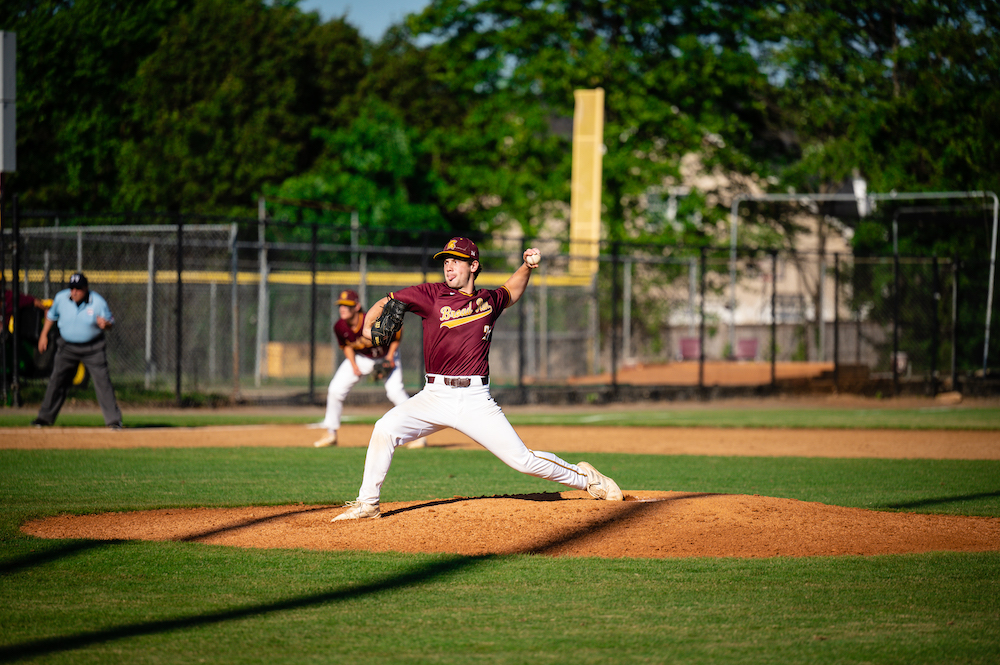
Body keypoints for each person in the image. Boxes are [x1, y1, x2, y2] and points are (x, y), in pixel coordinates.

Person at [331, 237, 623, 521]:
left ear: (473, 265)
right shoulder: (431, 294)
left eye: (456, 261)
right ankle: (368, 504)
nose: (448, 267)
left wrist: (527, 267)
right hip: (433, 395)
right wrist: (368, 329)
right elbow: (388, 300)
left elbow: (511, 290)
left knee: (522, 460)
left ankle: (587, 478)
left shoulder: (488, 300)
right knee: (384, 428)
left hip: (474, 400)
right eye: (446, 261)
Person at [313, 289, 427, 449]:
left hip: (387, 356)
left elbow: (397, 333)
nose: (343, 309)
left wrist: (390, 358)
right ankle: (331, 433)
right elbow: (346, 346)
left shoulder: (370, 319)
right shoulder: (340, 326)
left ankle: (419, 436)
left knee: (395, 392)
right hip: (362, 358)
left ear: (357, 306)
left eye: (347, 305)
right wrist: (353, 365)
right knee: (335, 389)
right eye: (341, 305)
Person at [31, 272, 123, 429]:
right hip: (67, 347)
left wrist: (105, 325)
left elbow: (110, 323)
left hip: (93, 348)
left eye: (78, 288)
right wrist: (43, 335)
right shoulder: (61, 298)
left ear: (86, 288)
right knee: (56, 380)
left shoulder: (98, 302)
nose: (74, 292)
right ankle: (44, 418)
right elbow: (51, 316)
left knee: (103, 382)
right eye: (72, 288)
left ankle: (113, 421)